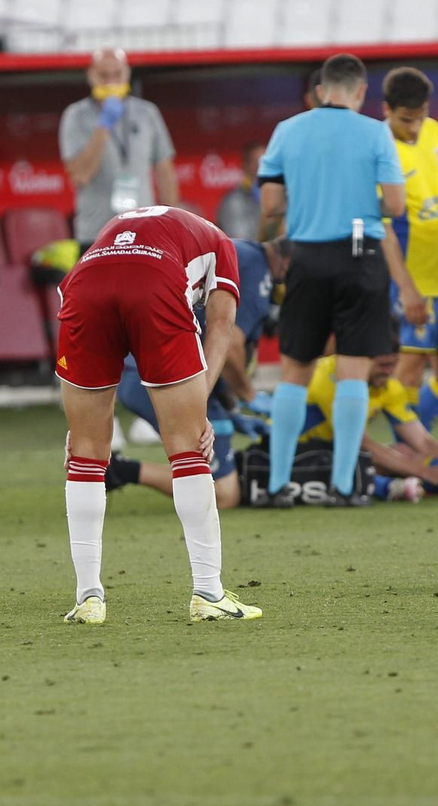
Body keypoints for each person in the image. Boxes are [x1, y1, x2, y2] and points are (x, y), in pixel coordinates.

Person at [55, 205, 261, 624]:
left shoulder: (123, 224)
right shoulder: (222, 244)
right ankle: (208, 593)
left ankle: (87, 598)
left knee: (86, 453)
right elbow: (223, 327)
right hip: (155, 282)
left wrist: (82, 426)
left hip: (83, 284)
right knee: (188, 449)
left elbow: (96, 280)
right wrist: (198, 405)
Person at [257, 54, 406, 505]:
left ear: (322, 90)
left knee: (294, 371)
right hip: (360, 254)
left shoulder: (288, 130)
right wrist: (360, 202)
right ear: (361, 92)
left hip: (306, 254)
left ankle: (278, 484)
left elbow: (269, 206)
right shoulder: (375, 131)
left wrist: (308, 199)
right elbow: (396, 206)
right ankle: (344, 486)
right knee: (353, 370)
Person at [105, 236, 291, 509]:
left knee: (222, 433)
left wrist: (232, 409)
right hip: (164, 377)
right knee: (224, 493)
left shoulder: (241, 252)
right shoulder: (255, 269)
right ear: (285, 262)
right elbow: (231, 346)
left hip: (152, 371)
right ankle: (121, 471)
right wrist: (249, 396)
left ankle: (123, 470)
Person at [374, 68, 438, 440]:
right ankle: (403, 454)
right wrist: (405, 287)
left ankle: (412, 444)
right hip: (411, 279)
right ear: (387, 109)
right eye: (405, 120)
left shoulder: (435, 131)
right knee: (409, 369)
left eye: (420, 117)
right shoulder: (377, 145)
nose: (414, 128)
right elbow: (382, 224)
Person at [294, 350, 438, 502]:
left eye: (393, 364)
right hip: (301, 454)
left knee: (404, 452)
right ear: (363, 361)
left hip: (339, 451)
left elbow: (422, 441)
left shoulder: (389, 385)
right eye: (383, 365)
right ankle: (388, 487)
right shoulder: (327, 378)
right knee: (352, 460)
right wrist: (426, 472)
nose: (389, 372)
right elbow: (360, 443)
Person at [60, 48, 179, 249]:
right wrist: (103, 127)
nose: (111, 82)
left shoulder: (147, 113)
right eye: (104, 76)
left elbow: (165, 171)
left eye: (117, 74)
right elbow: (80, 174)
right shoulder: (76, 116)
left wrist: (174, 224)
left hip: (144, 232)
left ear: (127, 73)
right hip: (97, 234)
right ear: (91, 76)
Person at [214, 143, 263, 240]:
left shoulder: (281, 199)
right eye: (256, 163)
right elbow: (240, 242)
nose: (261, 169)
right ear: (244, 165)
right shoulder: (234, 202)